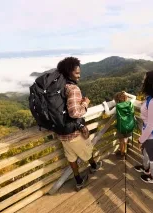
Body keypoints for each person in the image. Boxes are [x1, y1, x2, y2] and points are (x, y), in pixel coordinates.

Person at [56, 57, 102, 191]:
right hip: (74, 133)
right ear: (69, 72)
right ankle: (94, 167)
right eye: (76, 73)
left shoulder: (59, 87)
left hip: (62, 134)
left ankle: (78, 181)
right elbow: (74, 113)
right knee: (87, 152)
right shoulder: (73, 88)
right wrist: (85, 104)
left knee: (71, 158)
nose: (79, 76)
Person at [102, 92, 136, 158]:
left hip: (121, 127)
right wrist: (126, 93)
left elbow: (108, 113)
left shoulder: (117, 107)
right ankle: (125, 151)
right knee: (125, 139)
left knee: (121, 140)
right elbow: (134, 97)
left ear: (116, 100)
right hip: (129, 126)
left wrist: (105, 104)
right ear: (125, 98)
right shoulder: (130, 103)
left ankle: (122, 153)